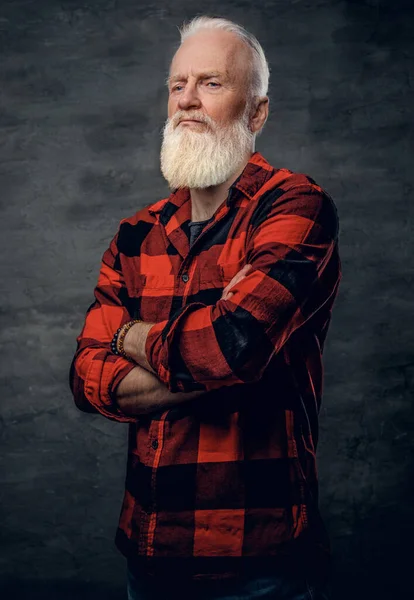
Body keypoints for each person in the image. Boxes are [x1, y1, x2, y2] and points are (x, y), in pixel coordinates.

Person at [69, 15, 341, 600]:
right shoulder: (135, 234)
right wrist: (208, 357)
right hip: (148, 553)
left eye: (212, 84)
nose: (187, 101)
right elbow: (86, 377)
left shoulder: (296, 207)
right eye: (177, 84)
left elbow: (231, 346)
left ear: (258, 113)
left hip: (261, 562)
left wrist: (130, 336)